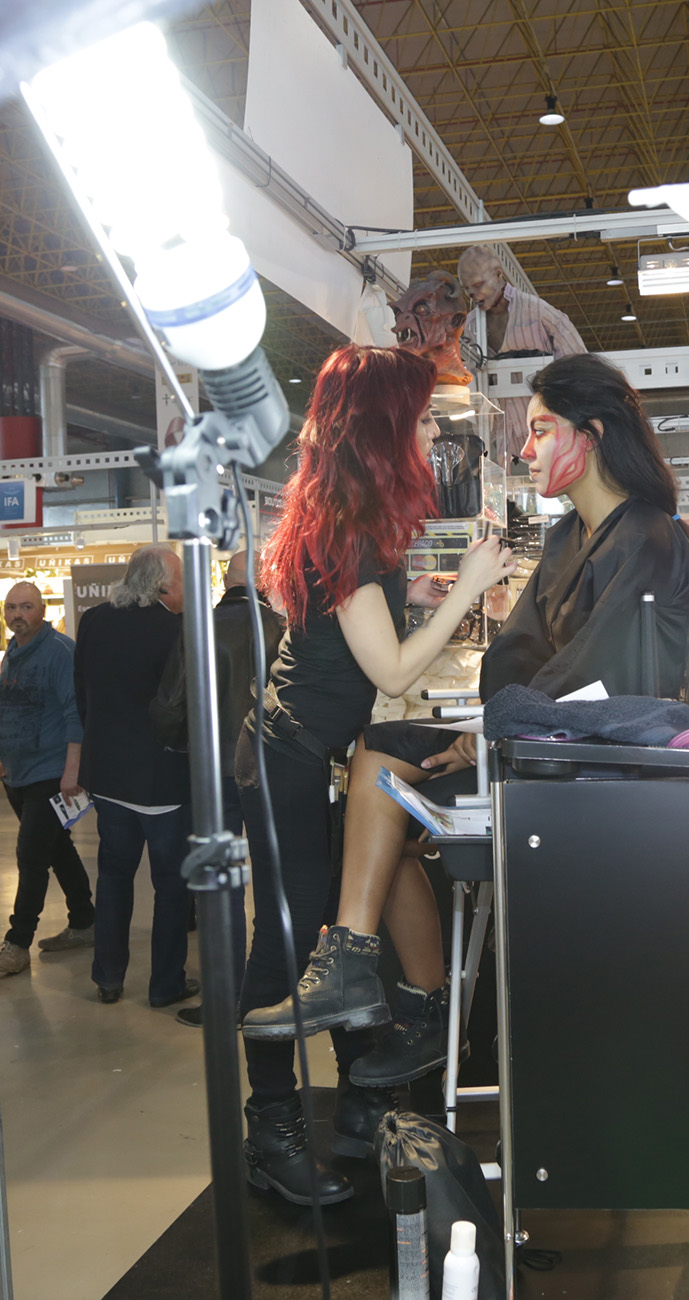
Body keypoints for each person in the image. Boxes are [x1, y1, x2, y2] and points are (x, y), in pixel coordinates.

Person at [244, 351, 689, 1095]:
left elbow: (602, 677)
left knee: (376, 785)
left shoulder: (650, 540)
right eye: (423, 420)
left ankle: (400, 997)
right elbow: (516, 656)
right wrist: (491, 715)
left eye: (540, 430)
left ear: (590, 435)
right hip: (502, 740)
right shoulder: (561, 540)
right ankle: (396, 993)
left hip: (597, 765)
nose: (524, 450)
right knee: (380, 764)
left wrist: (493, 726)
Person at [232, 344, 515, 1206]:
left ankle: (358, 1107)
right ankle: (272, 1132)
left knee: (336, 951)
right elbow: (390, 671)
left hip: (307, 752)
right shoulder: (351, 527)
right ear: (385, 424)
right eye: (422, 419)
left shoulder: (348, 514)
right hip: (287, 759)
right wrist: (466, 589)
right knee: (288, 948)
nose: (431, 434)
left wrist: (410, 596)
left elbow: (343, 626)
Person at [152, 558, 288, 1028]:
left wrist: (177, 743)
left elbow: (171, 703)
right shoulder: (284, 629)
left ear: (224, 582)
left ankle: (228, 998)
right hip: (274, 765)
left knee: (223, 884)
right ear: (267, 582)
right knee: (275, 881)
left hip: (214, 768)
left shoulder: (199, 627)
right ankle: (273, 992)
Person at [73, 545, 197, 1008]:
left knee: (113, 877)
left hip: (108, 776)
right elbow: (182, 708)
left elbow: (81, 693)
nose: (184, 589)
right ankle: (165, 984)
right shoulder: (177, 632)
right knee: (171, 887)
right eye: (181, 580)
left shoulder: (94, 621)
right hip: (162, 779)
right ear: (163, 586)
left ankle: (108, 977)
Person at [0, 580, 96, 975]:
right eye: (11, 607)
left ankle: (18, 942)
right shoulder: (12, 652)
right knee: (56, 848)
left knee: (31, 855)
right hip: (17, 772)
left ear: (42, 611)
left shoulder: (60, 652)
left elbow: (75, 712)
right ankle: (85, 921)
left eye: (26, 607)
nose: (17, 614)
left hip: (51, 772)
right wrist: (1, 752)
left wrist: (73, 769)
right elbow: (8, 706)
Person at [457, 244, 587, 460]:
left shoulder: (537, 311)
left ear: (498, 274)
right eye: (467, 289)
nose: (473, 295)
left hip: (554, 442)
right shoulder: (470, 326)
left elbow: (580, 365)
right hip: (505, 449)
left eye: (478, 285)